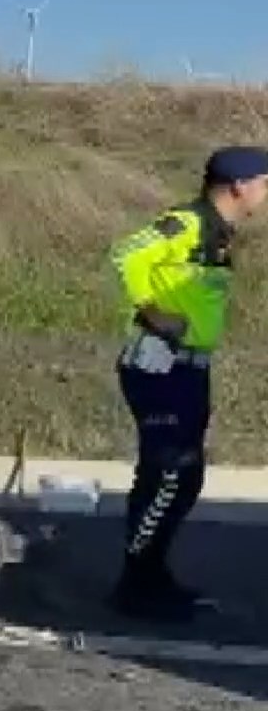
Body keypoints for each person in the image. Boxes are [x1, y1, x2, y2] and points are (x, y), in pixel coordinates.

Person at [107, 145, 268, 621]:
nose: (266, 193)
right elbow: (126, 254)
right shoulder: (188, 222)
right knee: (171, 472)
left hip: (190, 368)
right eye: (264, 183)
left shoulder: (219, 232)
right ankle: (135, 585)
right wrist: (151, 311)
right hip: (160, 366)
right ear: (239, 186)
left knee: (182, 476)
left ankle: (150, 574)